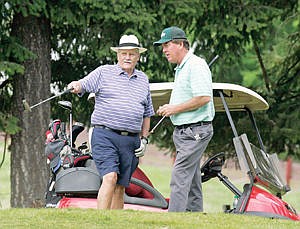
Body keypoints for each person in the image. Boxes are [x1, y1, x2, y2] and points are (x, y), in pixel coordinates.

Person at [68, 34, 154, 210]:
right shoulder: (104, 72)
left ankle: (115, 222)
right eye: (124, 53)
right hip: (105, 135)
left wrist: (144, 139)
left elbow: (147, 113)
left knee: (121, 185)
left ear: (138, 56)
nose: (127, 57)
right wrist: (76, 85)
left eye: (131, 54)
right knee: (110, 177)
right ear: (118, 55)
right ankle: (101, 221)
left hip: (131, 140)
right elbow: (83, 84)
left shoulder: (143, 79)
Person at [153, 26, 215, 212]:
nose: (164, 50)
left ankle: (173, 220)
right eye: (162, 46)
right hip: (184, 132)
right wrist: (171, 108)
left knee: (180, 175)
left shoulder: (196, 65)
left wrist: (173, 108)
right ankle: (194, 217)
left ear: (181, 44)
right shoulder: (182, 67)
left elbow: (204, 97)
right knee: (192, 178)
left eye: (167, 45)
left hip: (196, 131)